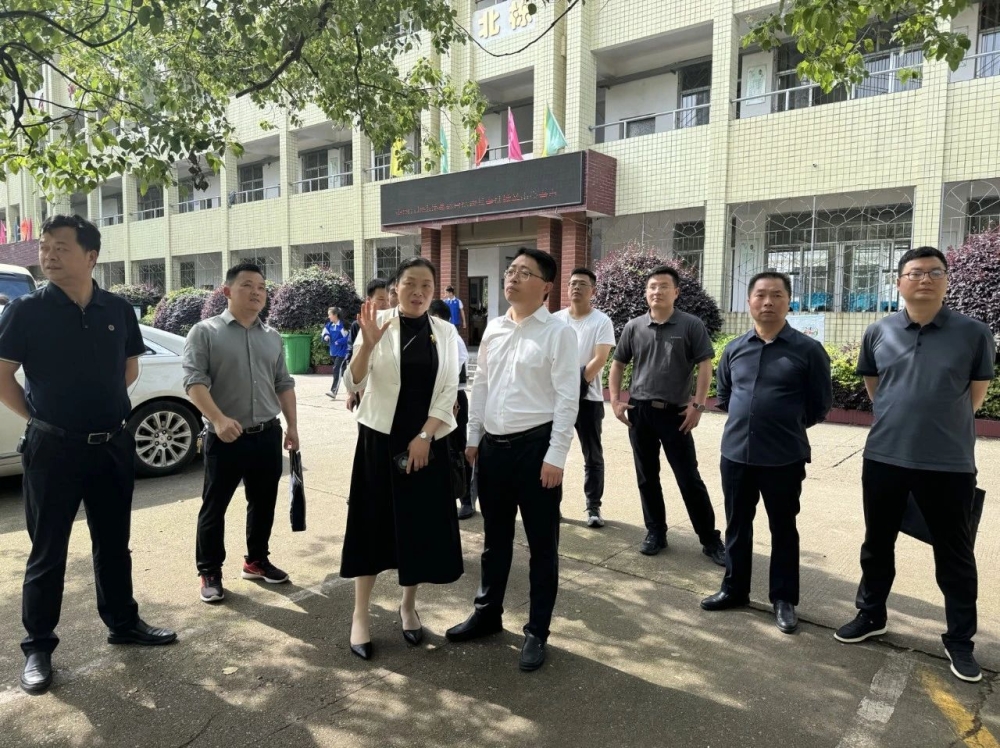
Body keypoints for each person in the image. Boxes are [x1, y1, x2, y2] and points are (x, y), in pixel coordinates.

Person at [0, 215, 176, 695]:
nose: (48, 255)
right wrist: (38, 418)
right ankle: (38, 647)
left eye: (61, 247)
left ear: (91, 255)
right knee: (47, 551)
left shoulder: (116, 309)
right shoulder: (26, 311)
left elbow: (130, 368)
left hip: (112, 446)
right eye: (45, 247)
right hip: (52, 449)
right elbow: (2, 376)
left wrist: (102, 407)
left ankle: (123, 623)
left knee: (114, 544)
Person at [834, 246, 995, 684]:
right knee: (877, 542)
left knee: (954, 553)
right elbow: (876, 388)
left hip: (948, 463)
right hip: (884, 457)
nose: (925, 279)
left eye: (934, 272)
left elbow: (975, 395)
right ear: (899, 282)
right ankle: (871, 614)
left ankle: (959, 639)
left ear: (946, 281)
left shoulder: (974, 333)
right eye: (915, 272)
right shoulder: (879, 331)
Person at [446, 248, 579, 673]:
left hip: (537, 451)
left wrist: (556, 455)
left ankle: (537, 631)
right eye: (511, 270)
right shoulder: (495, 328)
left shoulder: (558, 333)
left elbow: (567, 399)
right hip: (493, 450)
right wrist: (473, 437)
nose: (513, 277)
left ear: (546, 286)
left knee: (542, 546)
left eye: (524, 272)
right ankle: (487, 613)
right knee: (494, 540)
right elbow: (482, 383)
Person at [340, 257, 463, 661]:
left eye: (426, 285)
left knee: (417, 525)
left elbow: (448, 389)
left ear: (434, 290)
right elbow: (353, 381)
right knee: (370, 525)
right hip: (379, 439)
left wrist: (425, 436)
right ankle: (360, 615)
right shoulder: (377, 323)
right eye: (410, 283)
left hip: (425, 440)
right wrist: (368, 343)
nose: (418, 292)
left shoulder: (444, 331)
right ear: (395, 287)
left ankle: (408, 606)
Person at [701, 272, 832, 634]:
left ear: (789, 302)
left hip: (784, 457)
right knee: (737, 526)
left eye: (777, 295)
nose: (768, 302)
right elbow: (725, 396)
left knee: (783, 528)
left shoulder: (808, 351)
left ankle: (784, 599)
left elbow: (819, 405)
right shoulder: (734, 349)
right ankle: (734, 589)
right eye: (760, 295)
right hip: (736, 454)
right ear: (749, 302)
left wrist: (783, 425)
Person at [183, 262, 299, 603]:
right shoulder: (205, 332)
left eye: (261, 287)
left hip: (267, 434)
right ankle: (209, 570)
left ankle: (256, 561)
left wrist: (292, 426)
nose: (256, 292)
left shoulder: (272, 337)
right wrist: (218, 419)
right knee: (214, 506)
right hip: (225, 437)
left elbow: (283, 383)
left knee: (263, 503)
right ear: (227, 291)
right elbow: (194, 382)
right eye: (247, 285)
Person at [608, 265, 726, 565]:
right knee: (647, 477)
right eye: (652, 286)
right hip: (640, 412)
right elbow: (618, 364)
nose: (657, 291)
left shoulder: (690, 325)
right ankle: (655, 532)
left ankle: (710, 540)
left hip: (676, 415)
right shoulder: (634, 326)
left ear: (676, 292)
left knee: (688, 478)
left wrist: (698, 405)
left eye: (663, 286)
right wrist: (616, 401)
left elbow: (705, 365)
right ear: (646, 293)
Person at [554, 267, 616, 528]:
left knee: (592, 455)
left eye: (582, 284)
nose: (576, 288)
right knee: (554, 452)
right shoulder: (555, 320)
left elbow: (600, 359)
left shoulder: (601, 321)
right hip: (557, 399)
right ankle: (552, 505)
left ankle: (593, 507)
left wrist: (576, 385)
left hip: (588, 399)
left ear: (593, 290)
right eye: (572, 283)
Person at [430, 299, 475, 519]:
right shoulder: (434, 336)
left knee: (457, 448)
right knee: (440, 450)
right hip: (437, 400)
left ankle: (466, 499)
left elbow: (451, 372)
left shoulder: (452, 338)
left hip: (454, 399)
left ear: (438, 317)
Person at [346, 278, 390, 412]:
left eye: (388, 299)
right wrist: (350, 392)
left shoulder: (393, 323)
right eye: (381, 299)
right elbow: (350, 358)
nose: (386, 304)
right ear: (369, 300)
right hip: (364, 392)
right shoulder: (358, 325)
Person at [322, 306, 349, 399]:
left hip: (342, 352)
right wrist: (326, 336)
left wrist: (340, 341)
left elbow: (349, 337)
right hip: (333, 352)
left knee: (337, 369)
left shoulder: (343, 325)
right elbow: (324, 333)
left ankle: (333, 391)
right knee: (345, 372)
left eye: (329, 315)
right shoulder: (329, 325)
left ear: (335, 315)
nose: (328, 317)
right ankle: (354, 390)